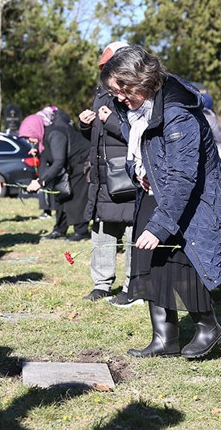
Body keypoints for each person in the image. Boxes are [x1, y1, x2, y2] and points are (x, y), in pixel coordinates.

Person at [100, 45, 221, 359]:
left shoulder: (177, 110)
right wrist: (138, 172)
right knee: (151, 264)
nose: (118, 97)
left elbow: (182, 176)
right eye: (114, 90)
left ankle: (208, 327)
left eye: (122, 89)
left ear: (142, 79)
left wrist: (161, 225)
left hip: (191, 198)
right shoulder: (133, 108)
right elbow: (137, 147)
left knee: (181, 264)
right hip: (155, 192)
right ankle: (164, 338)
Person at [78, 41, 139, 306]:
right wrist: (84, 124)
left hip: (126, 175)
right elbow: (95, 137)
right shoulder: (101, 94)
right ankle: (101, 284)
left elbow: (137, 133)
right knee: (103, 232)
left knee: (132, 233)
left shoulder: (137, 93)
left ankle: (132, 285)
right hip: (102, 177)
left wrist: (111, 122)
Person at [23, 110, 91, 241]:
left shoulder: (54, 134)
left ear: (35, 129)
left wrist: (40, 181)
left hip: (81, 162)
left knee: (77, 198)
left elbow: (58, 162)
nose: (28, 140)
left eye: (28, 136)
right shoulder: (44, 137)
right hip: (70, 165)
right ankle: (60, 230)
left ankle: (81, 232)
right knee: (61, 197)